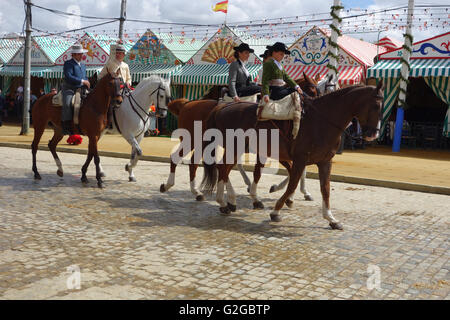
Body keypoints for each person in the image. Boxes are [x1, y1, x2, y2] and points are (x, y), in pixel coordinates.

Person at [62, 44, 90, 135]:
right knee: (67, 103)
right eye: (79, 54)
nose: (81, 56)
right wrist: (83, 81)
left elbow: (85, 76)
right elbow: (69, 76)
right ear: (73, 54)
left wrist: (87, 81)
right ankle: (66, 126)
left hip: (81, 89)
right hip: (69, 89)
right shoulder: (68, 63)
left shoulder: (83, 65)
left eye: (82, 54)